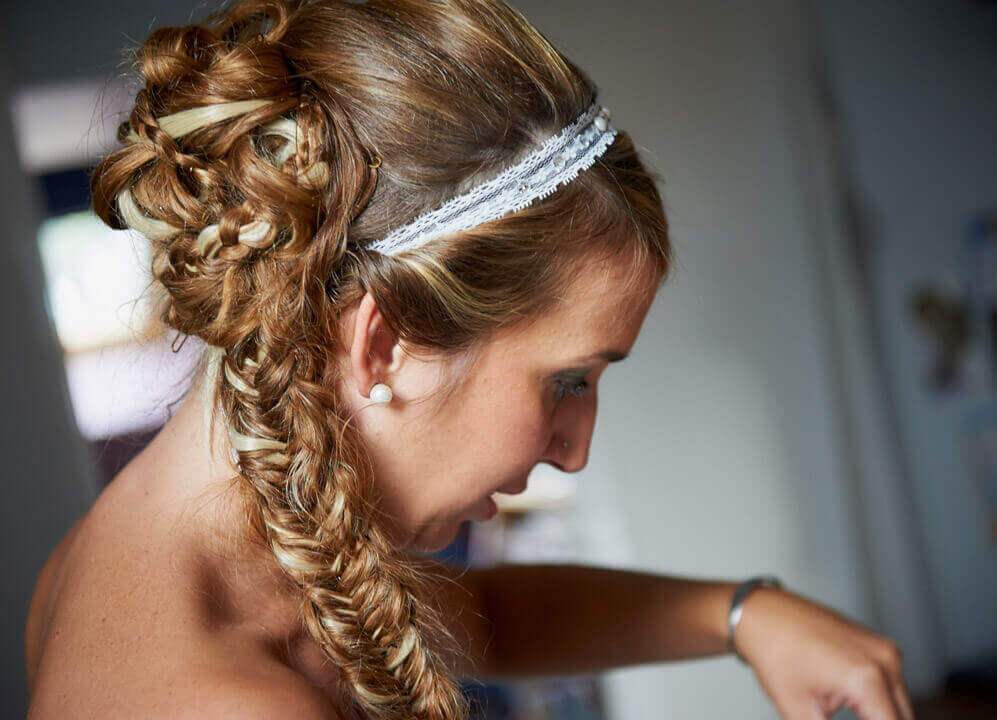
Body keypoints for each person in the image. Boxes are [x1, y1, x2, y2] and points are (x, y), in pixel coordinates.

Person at [24, 1, 916, 718]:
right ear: (383, 345)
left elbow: (481, 618)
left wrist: (745, 614)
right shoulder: (224, 699)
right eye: (567, 379)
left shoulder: (154, 553)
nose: (575, 448)